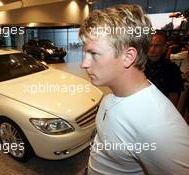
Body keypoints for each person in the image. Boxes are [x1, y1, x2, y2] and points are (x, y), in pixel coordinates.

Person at [79, 4, 189, 175]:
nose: (83, 64)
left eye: (93, 54)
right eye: (85, 53)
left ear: (128, 56)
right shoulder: (111, 96)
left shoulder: (158, 126)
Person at [145, 32, 184, 107]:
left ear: (164, 47)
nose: (152, 49)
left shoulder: (172, 69)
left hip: (159, 109)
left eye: (157, 46)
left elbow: (173, 97)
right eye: (150, 45)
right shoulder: (138, 64)